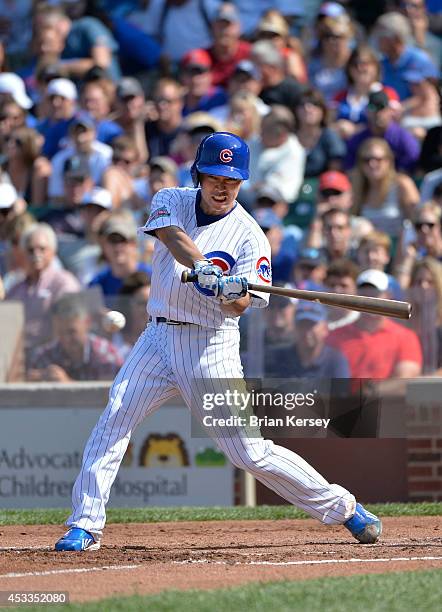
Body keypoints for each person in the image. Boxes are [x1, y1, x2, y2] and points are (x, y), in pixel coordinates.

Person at [54, 131, 381, 552]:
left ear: (242, 182)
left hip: (210, 347)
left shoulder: (250, 237)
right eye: (214, 176)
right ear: (198, 174)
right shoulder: (170, 197)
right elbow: (171, 236)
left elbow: (243, 305)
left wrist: (230, 292)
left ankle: (345, 508)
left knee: (250, 454)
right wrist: (204, 266)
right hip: (157, 337)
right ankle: (85, 524)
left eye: (232, 179)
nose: (223, 186)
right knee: (115, 418)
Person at [327, 269, 423, 378]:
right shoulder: (335, 336)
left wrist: (367, 392)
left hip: (384, 395)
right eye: (364, 295)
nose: (369, 300)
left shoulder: (405, 337)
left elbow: (405, 382)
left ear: (388, 296)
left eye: (375, 295)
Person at [5, 222, 80, 359]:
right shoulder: (15, 289)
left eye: (42, 249)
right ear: (23, 253)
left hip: (55, 358)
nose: (36, 254)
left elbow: (71, 325)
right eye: (30, 250)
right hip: (18, 359)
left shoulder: (64, 282)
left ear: (53, 251)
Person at [27, 292, 123, 382]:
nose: (66, 339)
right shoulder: (44, 356)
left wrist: (67, 384)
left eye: (71, 332)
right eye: (60, 332)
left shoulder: (106, 356)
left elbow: (110, 396)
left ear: (87, 322)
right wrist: (39, 378)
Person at [351, 138, 419, 238]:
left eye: (378, 159)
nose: (372, 164)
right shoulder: (357, 187)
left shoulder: (401, 184)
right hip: (368, 249)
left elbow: (416, 220)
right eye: (366, 160)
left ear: (388, 161)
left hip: (397, 247)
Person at [265, 301, 350, 378]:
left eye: (311, 325)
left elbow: (340, 394)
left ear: (325, 328)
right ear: (294, 328)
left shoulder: (336, 360)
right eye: (302, 325)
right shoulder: (279, 359)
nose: (306, 331)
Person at [344, 88, 421, 173]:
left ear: (390, 111)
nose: (378, 113)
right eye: (372, 108)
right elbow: (350, 167)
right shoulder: (358, 139)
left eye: (381, 107)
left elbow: (412, 160)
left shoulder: (402, 137)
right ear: (367, 112)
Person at [293, 87, 346, 178]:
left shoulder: (329, 137)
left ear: (323, 111)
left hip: (320, 188)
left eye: (314, 104)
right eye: (302, 104)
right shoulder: (289, 137)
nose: (308, 108)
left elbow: (335, 174)